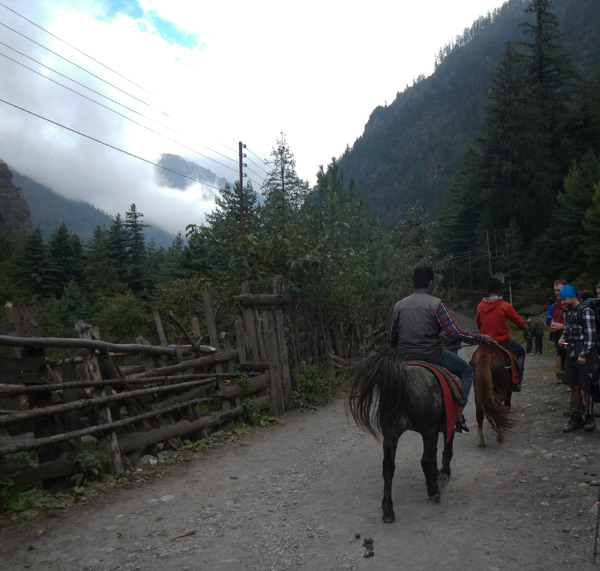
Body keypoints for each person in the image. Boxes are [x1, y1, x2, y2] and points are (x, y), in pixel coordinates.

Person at [388, 266, 495, 434]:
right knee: (467, 371)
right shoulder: (437, 304)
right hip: (432, 356)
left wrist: (403, 349)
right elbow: (454, 333)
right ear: (430, 284)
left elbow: (391, 339)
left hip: (405, 358)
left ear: (415, 284)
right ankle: (458, 415)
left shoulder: (399, 306)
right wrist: (480, 338)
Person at [475, 277, 530, 391]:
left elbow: (478, 324)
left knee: (473, 361)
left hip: (486, 342)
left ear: (487, 290)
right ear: (500, 290)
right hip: (502, 342)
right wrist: (525, 330)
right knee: (520, 353)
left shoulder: (480, 306)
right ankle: (517, 381)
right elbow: (516, 320)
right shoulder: (505, 306)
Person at [558, 284, 597, 432]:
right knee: (573, 386)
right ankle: (576, 417)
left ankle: (590, 416)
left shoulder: (586, 311)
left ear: (572, 297)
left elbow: (591, 336)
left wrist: (584, 355)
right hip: (571, 353)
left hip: (585, 357)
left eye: (564, 299)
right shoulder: (568, 312)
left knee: (587, 387)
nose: (562, 303)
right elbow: (567, 331)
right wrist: (563, 339)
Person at [546, 279, 568, 383]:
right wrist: (552, 324)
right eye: (555, 290)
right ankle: (560, 375)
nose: (557, 293)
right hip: (557, 336)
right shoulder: (554, 305)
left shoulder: (575, 303)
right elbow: (549, 319)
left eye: (559, 290)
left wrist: (562, 326)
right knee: (559, 353)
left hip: (569, 335)